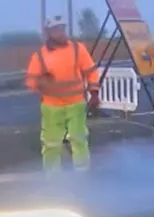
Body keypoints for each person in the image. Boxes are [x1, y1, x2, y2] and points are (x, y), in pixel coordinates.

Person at [25, 16, 101, 174]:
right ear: (48, 33)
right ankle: (53, 179)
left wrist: (94, 93)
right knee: (51, 144)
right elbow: (30, 82)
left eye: (62, 29)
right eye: (56, 30)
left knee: (79, 139)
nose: (60, 33)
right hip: (52, 107)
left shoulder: (77, 49)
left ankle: (83, 174)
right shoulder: (40, 56)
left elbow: (91, 72)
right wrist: (40, 81)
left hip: (76, 104)